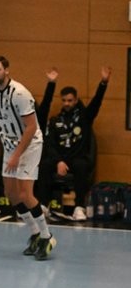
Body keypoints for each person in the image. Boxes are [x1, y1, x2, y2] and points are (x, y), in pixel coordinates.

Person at [0, 55, 55, 260]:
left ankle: (47, 236)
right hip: (10, 145)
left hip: (29, 145)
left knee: (25, 193)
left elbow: (32, 127)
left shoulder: (19, 93)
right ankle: (35, 234)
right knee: (11, 194)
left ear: (7, 70)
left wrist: (17, 155)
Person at [35, 66, 111, 221]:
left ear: (76, 100)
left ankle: (79, 207)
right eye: (64, 100)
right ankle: (43, 205)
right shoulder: (55, 121)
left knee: (81, 166)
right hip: (60, 158)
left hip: (77, 158)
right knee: (44, 165)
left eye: (70, 100)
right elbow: (50, 144)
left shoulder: (84, 118)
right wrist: (59, 161)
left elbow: (96, 103)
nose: (67, 103)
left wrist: (103, 83)